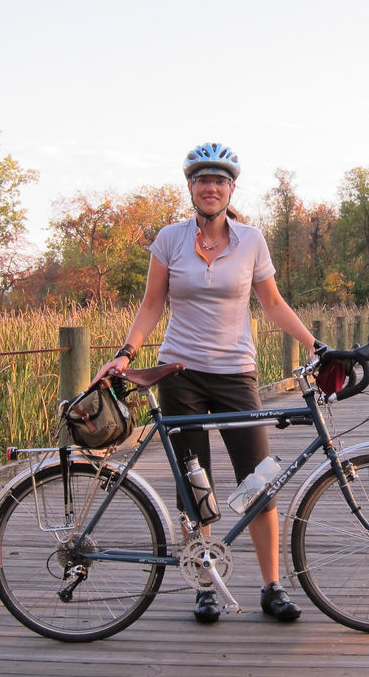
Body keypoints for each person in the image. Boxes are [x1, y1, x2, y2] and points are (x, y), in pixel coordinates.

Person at [91, 142, 318, 624]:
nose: (210, 187)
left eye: (219, 180)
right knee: (195, 484)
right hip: (180, 373)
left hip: (236, 372)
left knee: (258, 480)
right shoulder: (169, 239)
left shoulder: (252, 240)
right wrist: (126, 352)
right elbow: (152, 305)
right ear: (190, 187)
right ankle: (205, 583)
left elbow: (273, 304)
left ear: (231, 188)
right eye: (201, 179)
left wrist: (315, 345)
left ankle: (272, 586)